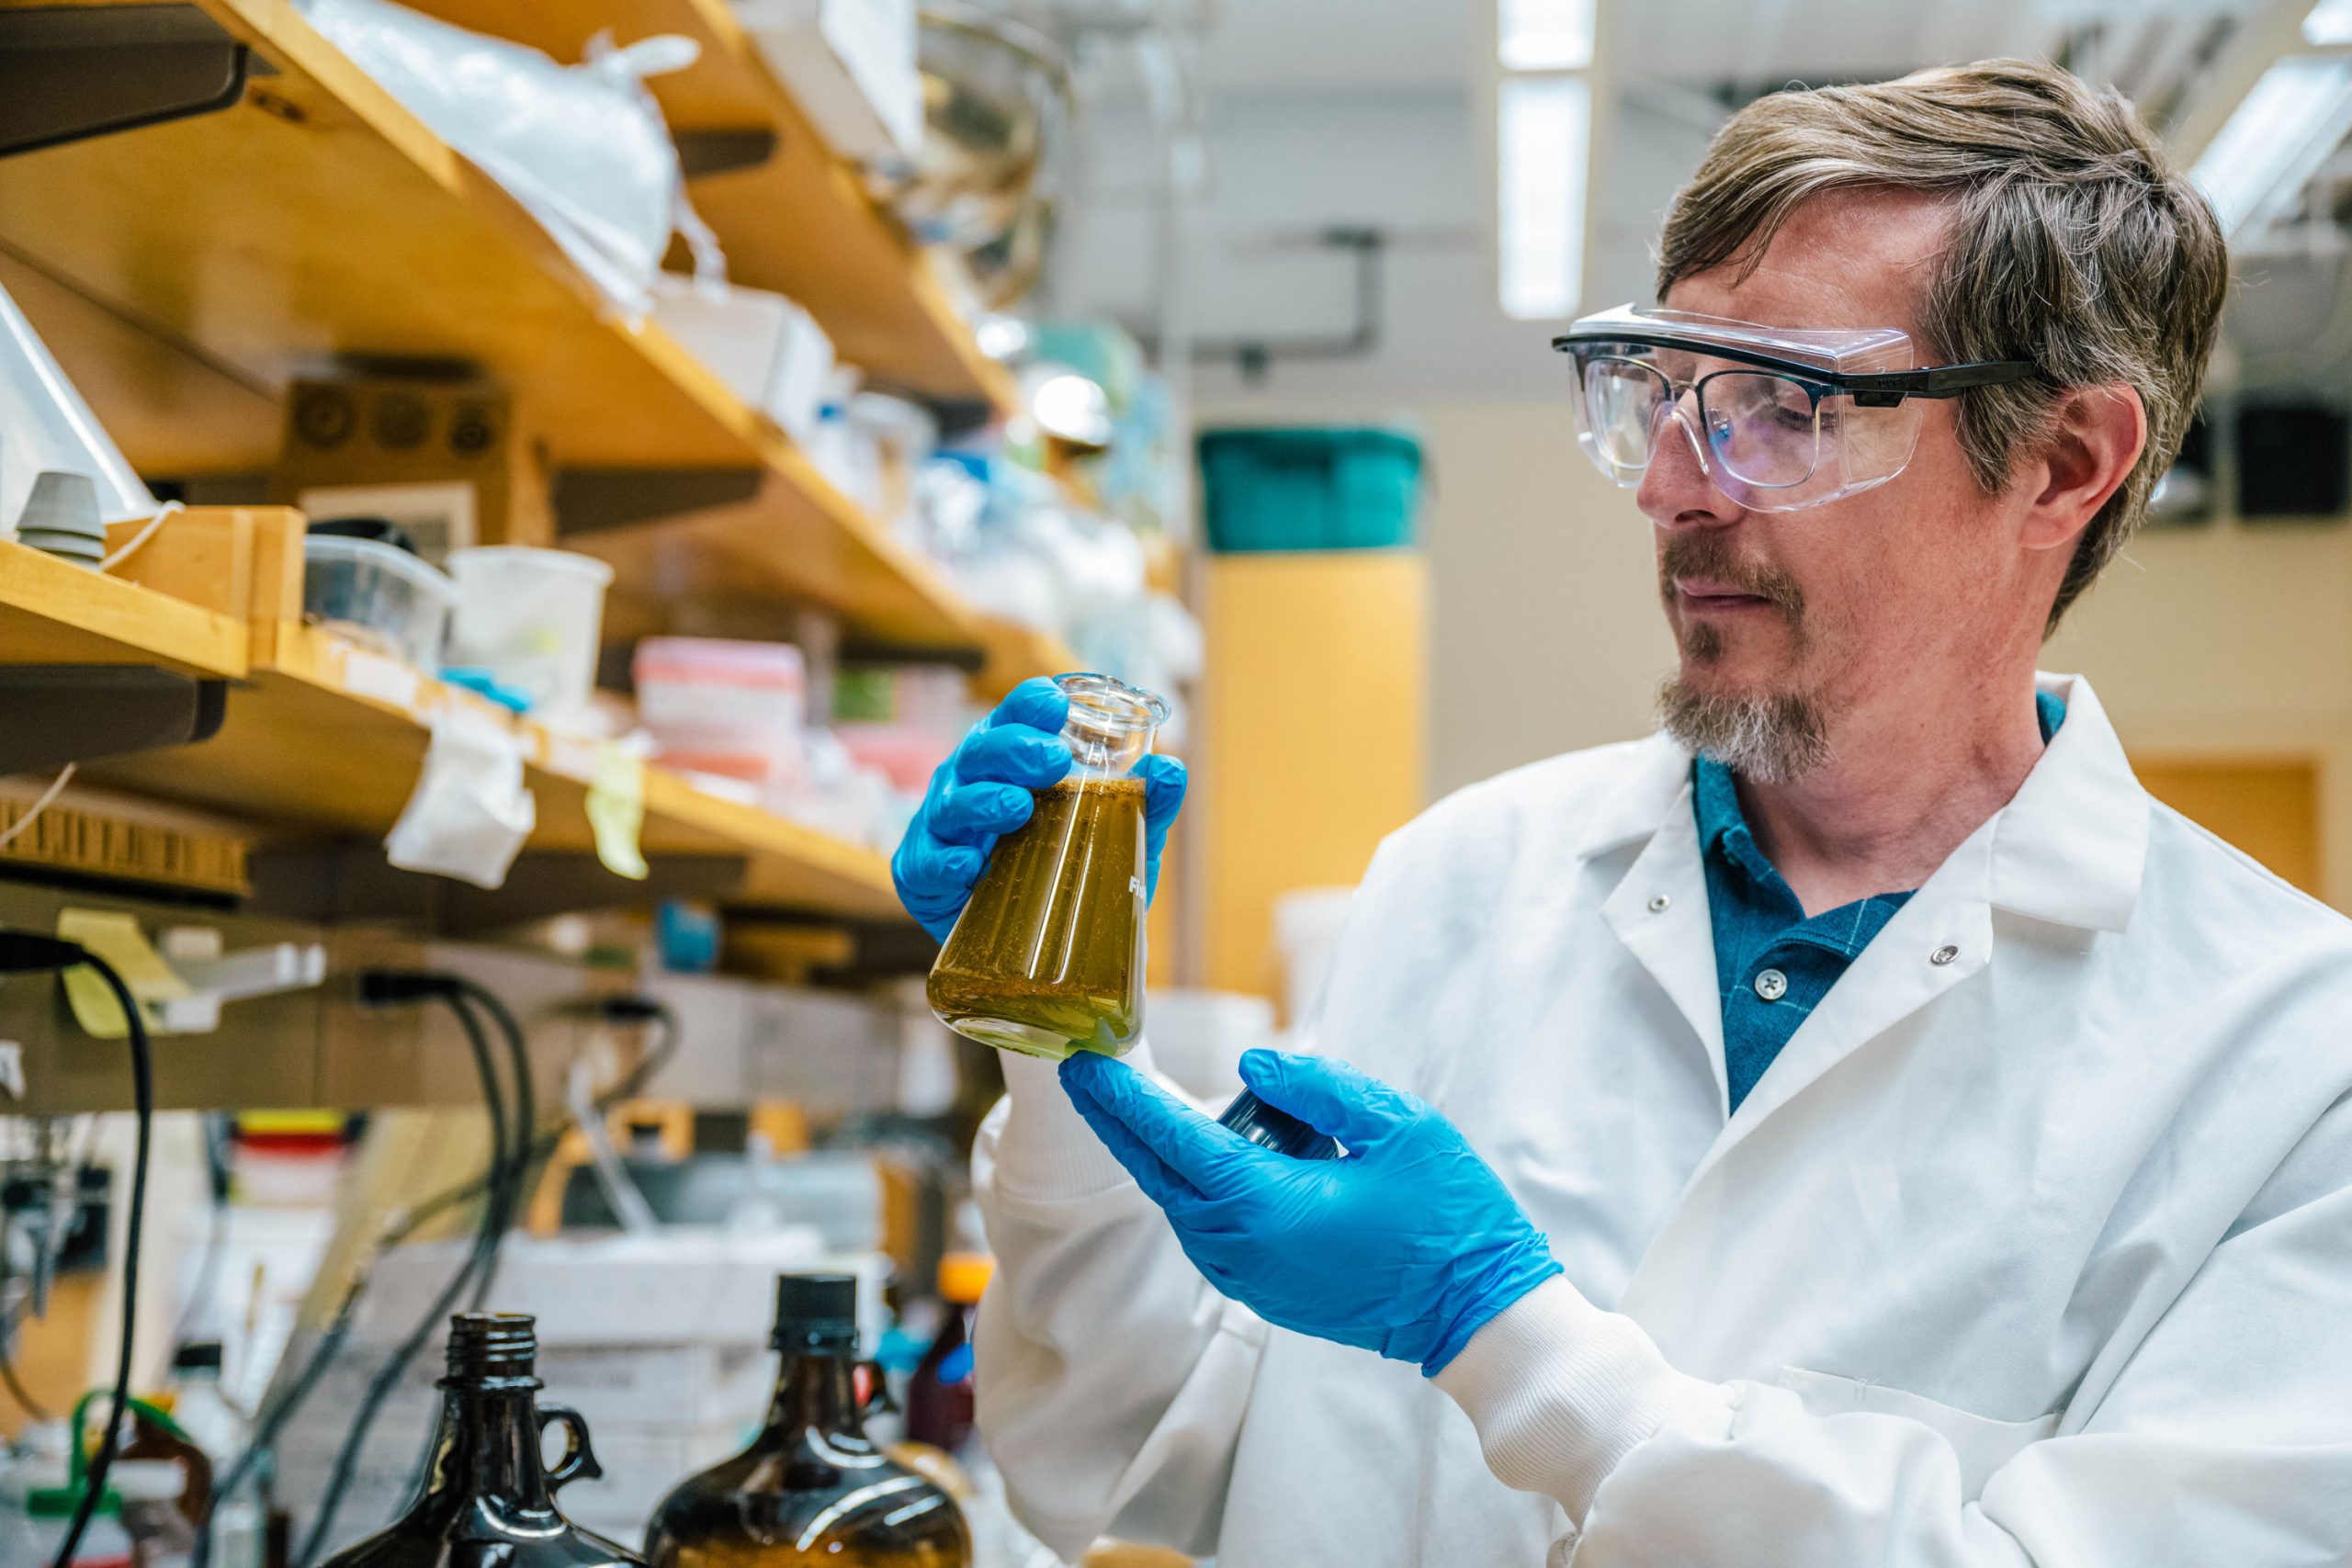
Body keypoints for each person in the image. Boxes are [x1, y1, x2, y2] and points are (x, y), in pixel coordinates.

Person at [893, 61, 2352, 1567]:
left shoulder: (2296, 1073)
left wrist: (1503, 1338)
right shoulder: (1462, 878)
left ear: (2061, 464)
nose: (1668, 483)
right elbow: (1117, 1457)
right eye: (1660, 394)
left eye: (1783, 406)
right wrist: (1058, 1045)